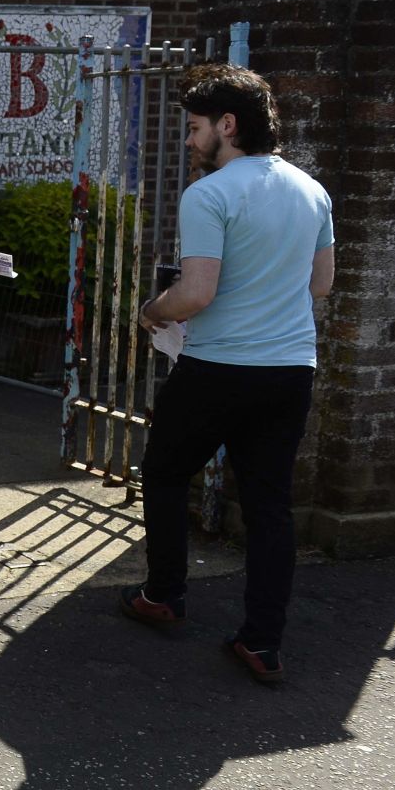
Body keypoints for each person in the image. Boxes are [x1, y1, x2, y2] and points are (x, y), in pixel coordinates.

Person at [124, 64, 334, 685]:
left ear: (227, 125)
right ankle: (262, 643)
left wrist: (149, 312)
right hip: (291, 369)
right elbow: (319, 287)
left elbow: (196, 294)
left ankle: (163, 595)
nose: (190, 141)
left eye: (193, 128)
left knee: (163, 472)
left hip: (218, 367)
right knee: (270, 506)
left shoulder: (209, 194)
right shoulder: (313, 191)